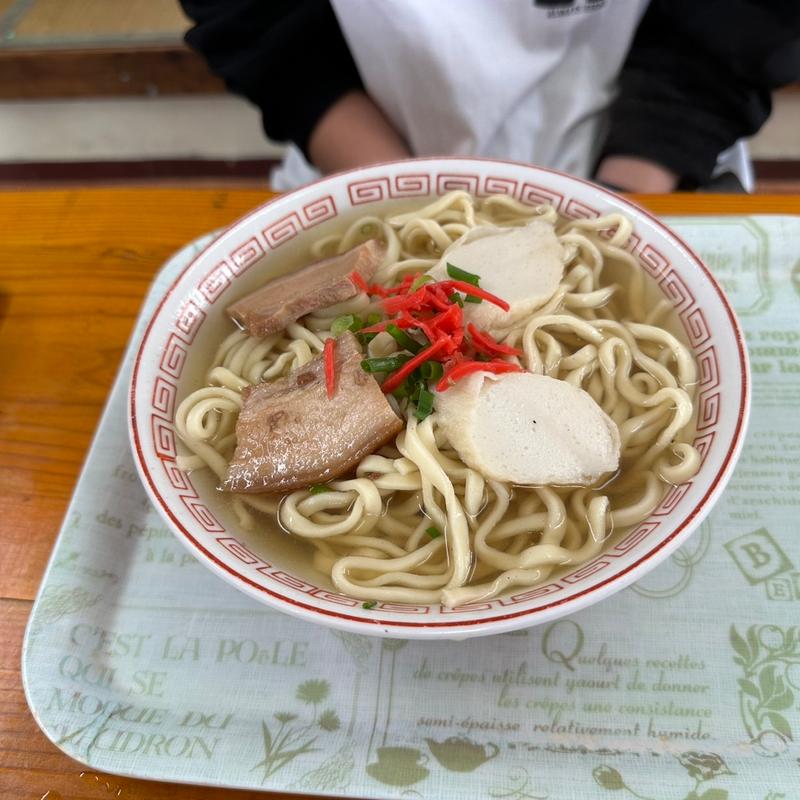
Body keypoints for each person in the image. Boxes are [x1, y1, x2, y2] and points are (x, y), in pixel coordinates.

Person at [180, 0, 800, 192]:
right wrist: (411, 209)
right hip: (374, 166)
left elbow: (735, 24)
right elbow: (266, 30)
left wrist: (619, 213)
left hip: (647, 168)